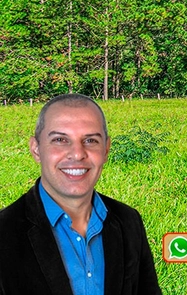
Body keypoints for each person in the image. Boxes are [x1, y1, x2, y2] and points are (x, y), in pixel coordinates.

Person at [0, 94, 162, 295]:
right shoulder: (4, 232)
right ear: (36, 149)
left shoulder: (129, 221)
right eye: (60, 140)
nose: (77, 154)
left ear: (106, 149)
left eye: (90, 140)